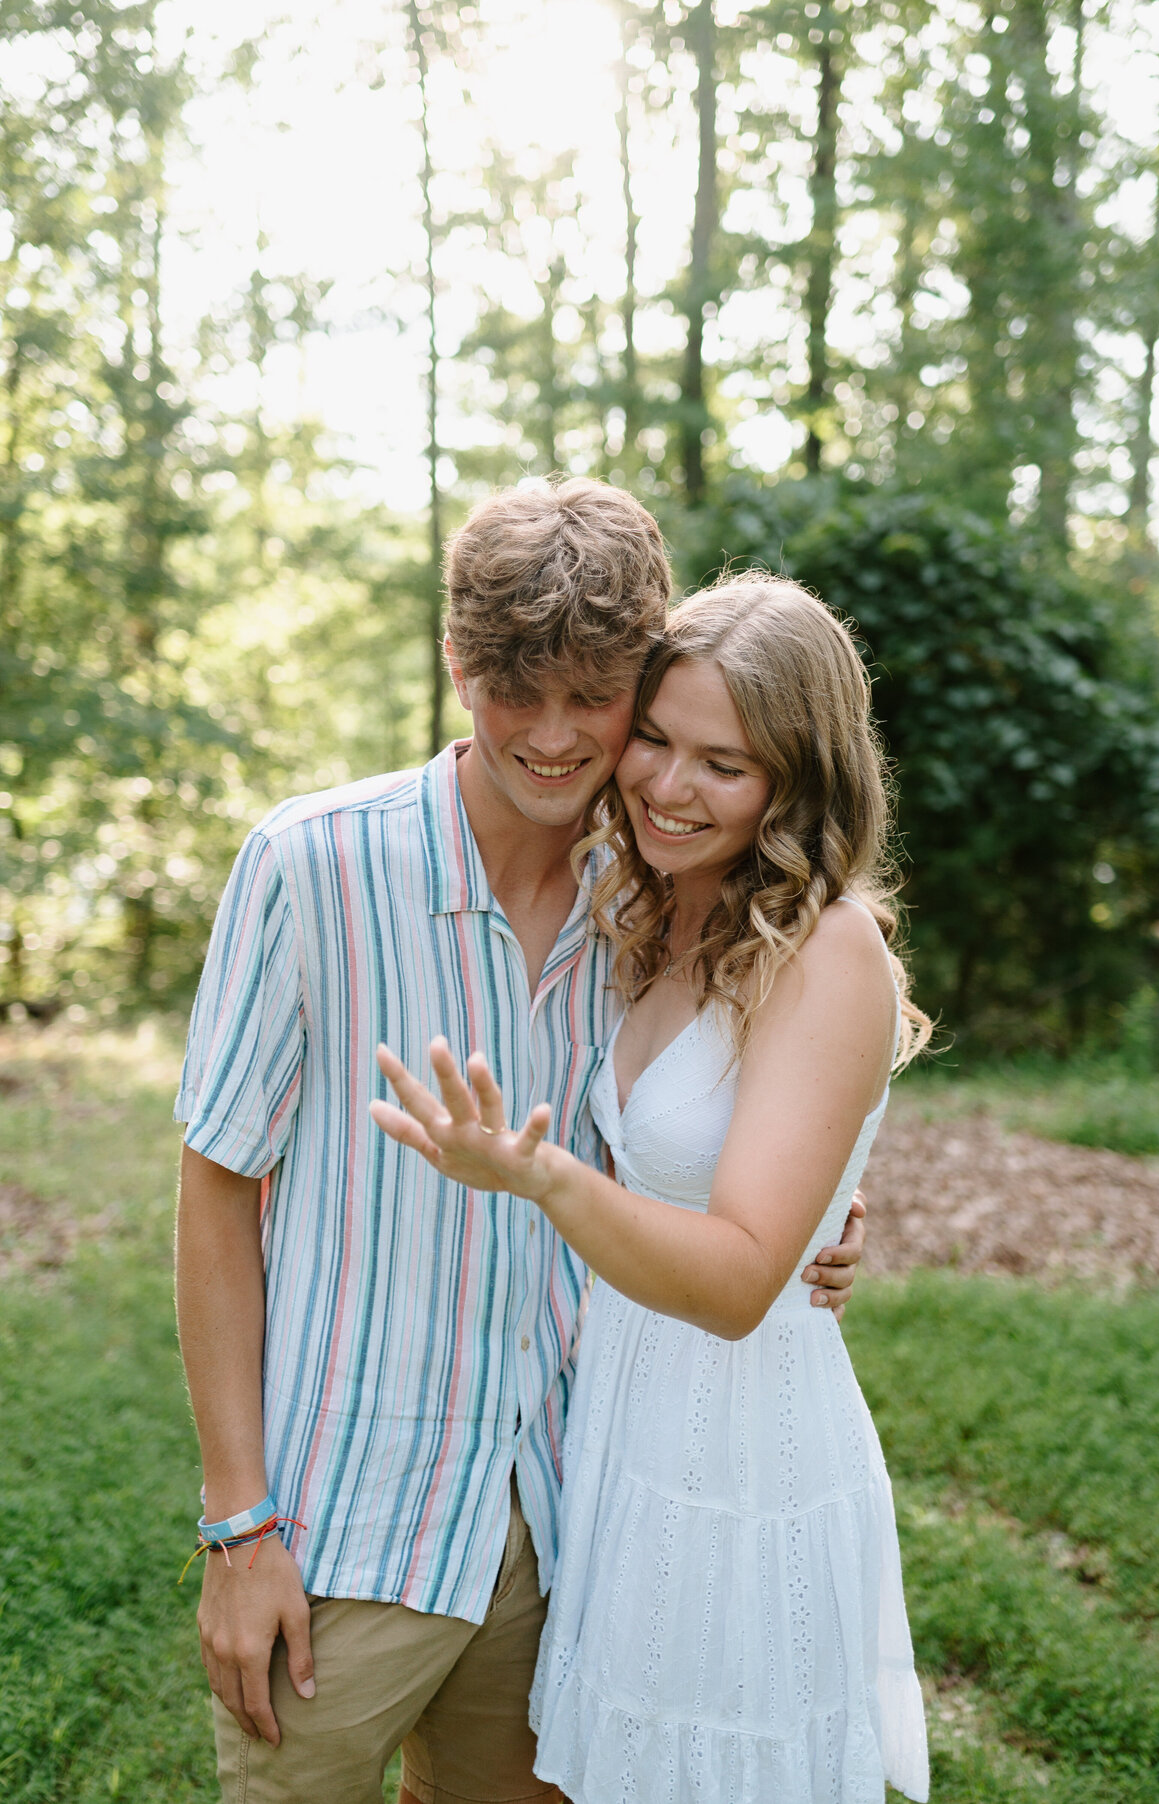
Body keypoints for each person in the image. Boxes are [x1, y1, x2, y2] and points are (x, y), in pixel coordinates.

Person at [174, 482, 867, 1804]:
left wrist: (827, 1225)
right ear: (456, 665)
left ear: (646, 686)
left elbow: (734, 1120)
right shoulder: (307, 867)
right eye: (512, 691)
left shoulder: (658, 896)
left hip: (570, 1525)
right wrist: (238, 1525)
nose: (551, 741)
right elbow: (215, 1194)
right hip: (341, 1532)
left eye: (594, 699)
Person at [370, 573, 931, 1803]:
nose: (670, 787)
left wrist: (544, 1176)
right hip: (617, 1418)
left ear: (801, 776)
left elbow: (736, 1283)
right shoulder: (642, 903)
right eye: (660, 741)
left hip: (739, 1445)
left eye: (724, 765)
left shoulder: (828, 949)